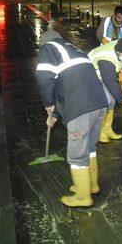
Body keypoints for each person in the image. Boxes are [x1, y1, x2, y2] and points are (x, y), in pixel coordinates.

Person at [35, 27, 108, 208]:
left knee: (77, 154)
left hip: (81, 108)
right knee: (90, 147)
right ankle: (91, 185)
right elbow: (67, 85)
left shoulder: (48, 48)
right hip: (99, 104)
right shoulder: (74, 49)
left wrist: (48, 105)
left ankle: (83, 198)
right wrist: (55, 114)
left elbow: (44, 79)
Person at [88, 37, 122, 143]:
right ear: (118, 52)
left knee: (111, 101)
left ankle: (108, 129)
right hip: (91, 75)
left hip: (105, 74)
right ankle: (100, 131)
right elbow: (111, 82)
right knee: (107, 100)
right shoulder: (107, 59)